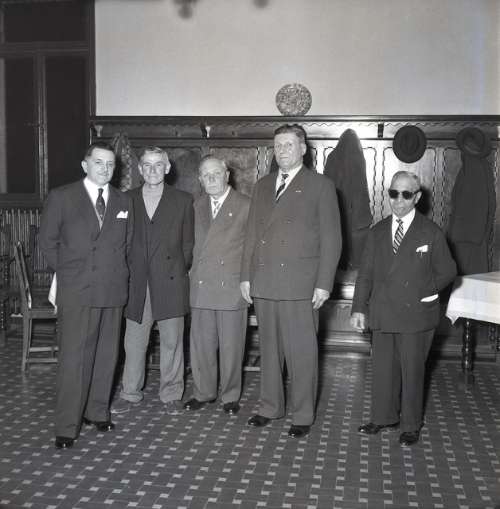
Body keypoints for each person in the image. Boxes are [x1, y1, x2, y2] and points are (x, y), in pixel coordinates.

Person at [240, 124, 342, 438]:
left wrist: (324, 283)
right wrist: (246, 277)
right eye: (278, 145)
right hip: (265, 280)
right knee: (269, 350)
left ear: (303, 149)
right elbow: (251, 235)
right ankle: (270, 406)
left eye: (288, 145)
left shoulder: (321, 186)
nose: (282, 151)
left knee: (302, 352)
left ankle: (303, 413)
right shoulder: (262, 185)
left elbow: (332, 239)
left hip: (301, 284)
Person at [351, 171, 456, 447]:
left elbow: (448, 271)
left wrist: (424, 291)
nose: (398, 200)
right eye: (393, 193)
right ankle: (382, 417)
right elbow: (365, 274)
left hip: (416, 314)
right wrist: (358, 308)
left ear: (417, 197)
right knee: (383, 369)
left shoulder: (430, 232)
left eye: (406, 194)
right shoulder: (377, 231)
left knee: (412, 372)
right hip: (383, 311)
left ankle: (410, 425)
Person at [39, 142, 133, 449]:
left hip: (112, 289)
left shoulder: (123, 201)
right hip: (77, 290)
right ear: (85, 165)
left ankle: (97, 412)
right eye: (98, 162)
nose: (105, 169)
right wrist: (69, 273)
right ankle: (67, 425)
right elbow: (47, 241)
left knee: (107, 356)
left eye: (110, 164)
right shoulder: (62, 197)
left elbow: (128, 244)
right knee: (74, 359)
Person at [112, 146, 194, 415]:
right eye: (147, 165)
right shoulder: (126, 199)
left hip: (170, 281)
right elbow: (120, 243)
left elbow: (188, 246)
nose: (152, 170)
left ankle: (171, 394)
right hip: (137, 284)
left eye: (158, 164)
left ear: (167, 168)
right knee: (134, 343)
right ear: (139, 169)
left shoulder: (183, 200)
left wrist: (173, 269)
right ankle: (130, 393)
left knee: (172, 342)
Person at [184, 156, 250, 415]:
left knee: (232, 347)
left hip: (230, 287)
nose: (211, 178)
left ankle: (230, 395)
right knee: (201, 345)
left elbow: (253, 250)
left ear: (227, 175)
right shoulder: (196, 206)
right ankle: (203, 392)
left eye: (216, 173)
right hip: (201, 285)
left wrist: (247, 281)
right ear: (200, 180)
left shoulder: (245, 205)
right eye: (205, 174)